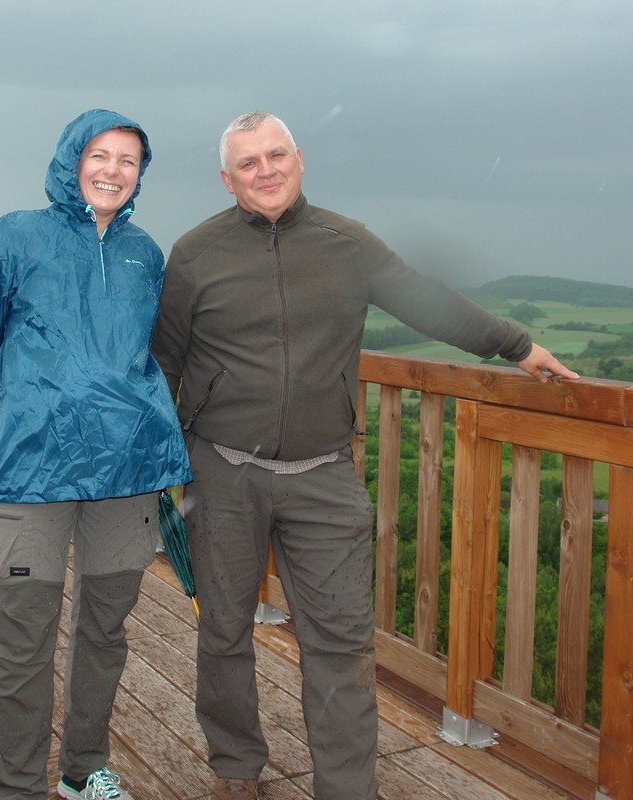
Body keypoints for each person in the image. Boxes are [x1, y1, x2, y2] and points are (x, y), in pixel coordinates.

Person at [151, 111, 577, 799]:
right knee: (223, 632)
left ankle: (347, 789)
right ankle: (235, 768)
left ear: (299, 159)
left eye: (276, 155)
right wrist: (155, 465)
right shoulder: (195, 254)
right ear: (227, 180)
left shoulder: (347, 244)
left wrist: (516, 344)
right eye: (248, 163)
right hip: (221, 472)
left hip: (323, 475)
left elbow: (427, 302)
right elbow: (165, 364)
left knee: (342, 643)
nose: (266, 171)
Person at [0, 108, 191, 800]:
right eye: (100, 155)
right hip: (33, 473)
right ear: (71, 160)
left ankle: (83, 771)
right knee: (25, 637)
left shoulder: (145, 253)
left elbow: (155, 354)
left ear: (140, 173)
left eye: (128, 160)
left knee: (105, 629)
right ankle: (19, 787)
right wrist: (2, 432)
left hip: (127, 474)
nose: (113, 170)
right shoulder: (18, 234)